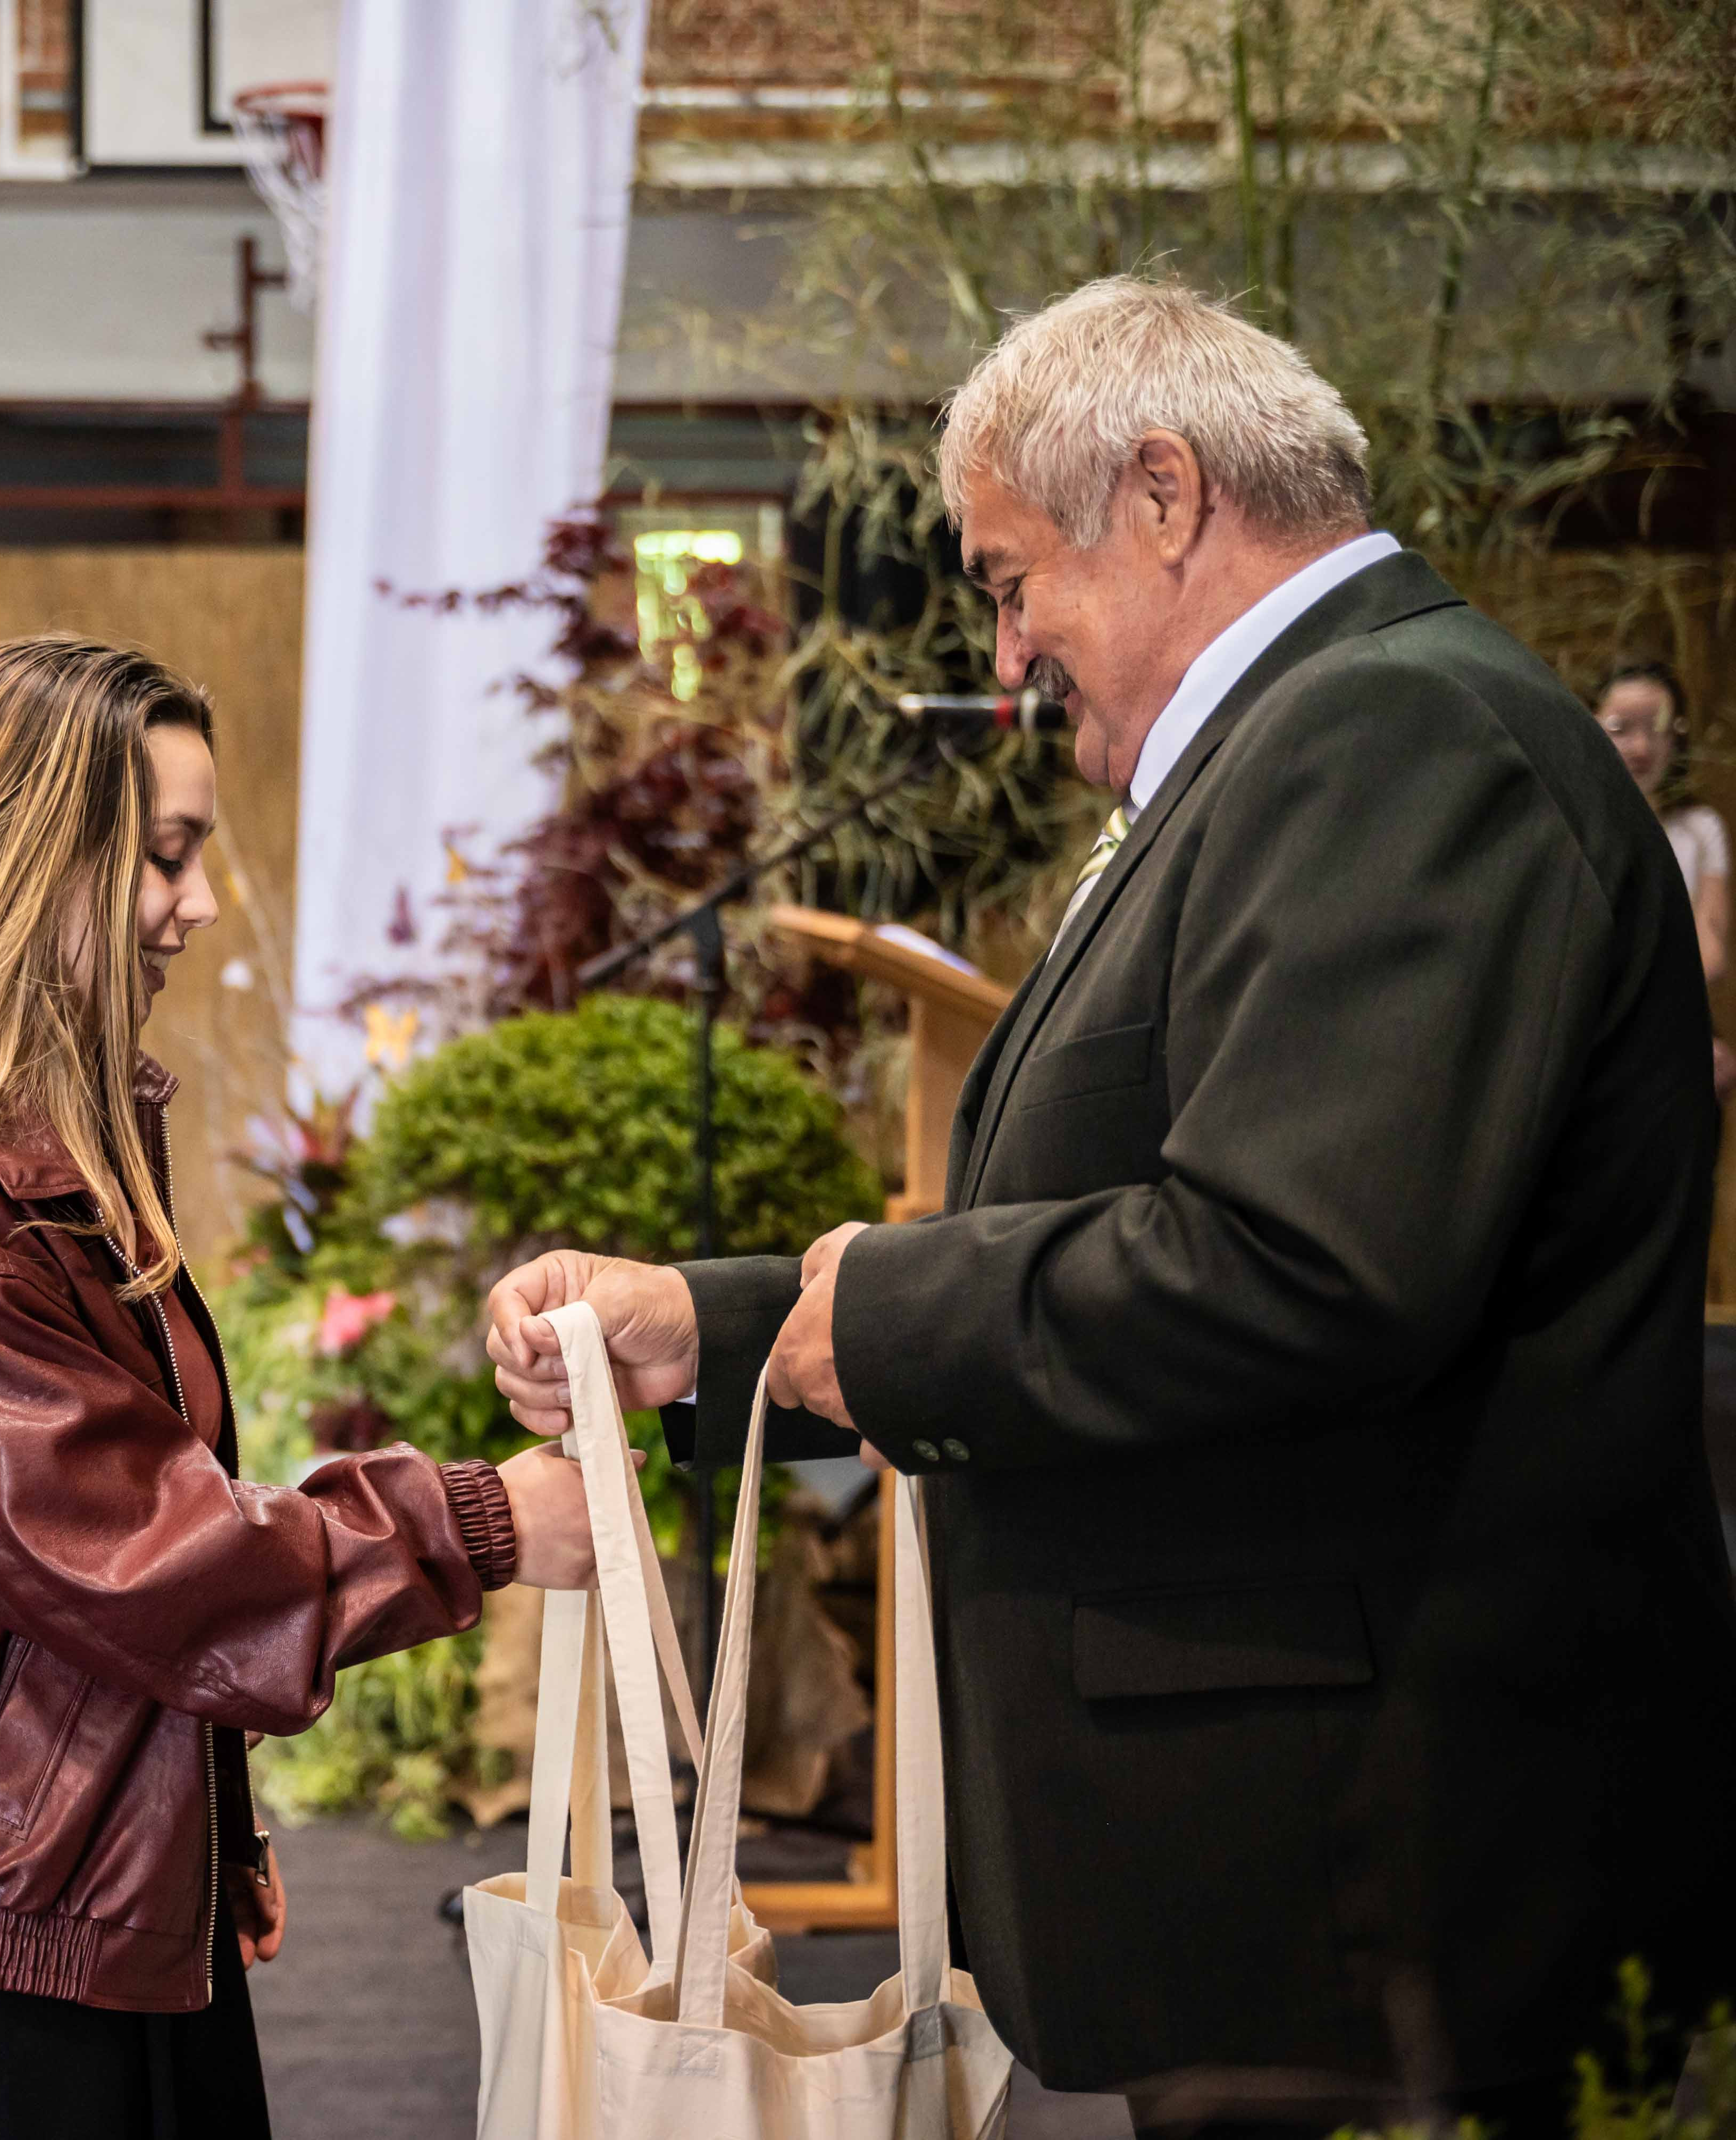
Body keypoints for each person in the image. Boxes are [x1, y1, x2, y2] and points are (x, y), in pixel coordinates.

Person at [484, 277, 1736, 2135]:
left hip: (1380, 1877)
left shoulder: (1394, 739)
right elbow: (1120, 1212)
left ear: (1162, 494)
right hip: (1307, 1868)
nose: (1007, 655)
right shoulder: (1316, 738)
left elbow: (1297, 1264)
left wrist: (880, 1318)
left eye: (1008, 583)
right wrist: (714, 1331)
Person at [0, 635, 593, 2140]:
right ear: (30, 863)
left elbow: (84, 1580)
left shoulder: (43, 1160)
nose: (197, 903)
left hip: (62, 1889)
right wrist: (479, 1522)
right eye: (164, 856)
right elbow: (153, 1558)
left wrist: (198, 1831)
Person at [1595, 657, 1733, 1094]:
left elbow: (1711, 950)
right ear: (1588, 728)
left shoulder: (1700, 828)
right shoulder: (1579, 830)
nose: (1641, 747)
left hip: (1672, 1026)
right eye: (1620, 728)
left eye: (1657, 728)